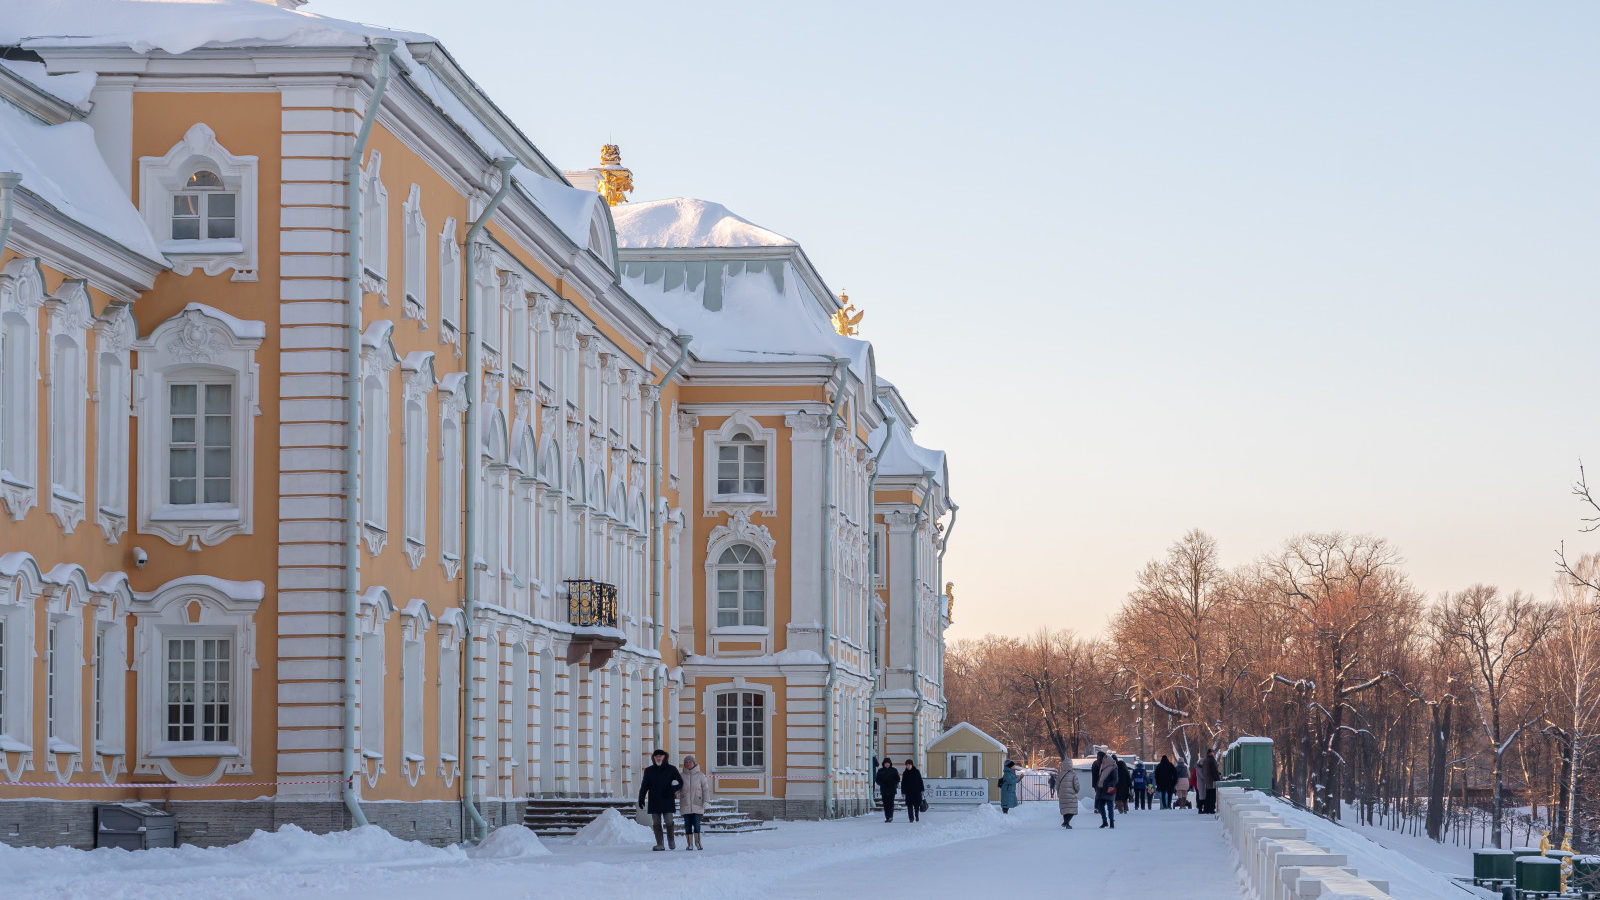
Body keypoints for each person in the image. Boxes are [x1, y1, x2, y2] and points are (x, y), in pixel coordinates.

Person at [637, 748, 683, 851]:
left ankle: (671, 841)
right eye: (656, 756)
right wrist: (641, 798)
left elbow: (680, 782)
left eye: (660, 756)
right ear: (653, 758)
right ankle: (660, 844)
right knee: (656, 823)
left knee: (669, 821)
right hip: (654, 800)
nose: (658, 758)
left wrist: (672, 790)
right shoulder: (649, 770)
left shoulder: (672, 769)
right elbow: (644, 785)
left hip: (667, 799)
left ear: (665, 757)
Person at [678, 754, 709, 851]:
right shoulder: (681, 776)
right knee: (687, 825)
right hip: (685, 804)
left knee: (696, 824)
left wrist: (706, 800)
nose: (688, 764)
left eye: (690, 762)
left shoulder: (700, 775)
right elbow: (677, 789)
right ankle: (690, 844)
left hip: (697, 803)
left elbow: (705, 789)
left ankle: (698, 842)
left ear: (694, 763)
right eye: (686, 762)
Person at [1092, 751, 1117, 828]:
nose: (1098, 759)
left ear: (1104, 758)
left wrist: (1110, 785)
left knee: (1110, 806)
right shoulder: (1102, 765)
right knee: (1100, 805)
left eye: (1099, 758)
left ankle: (1111, 822)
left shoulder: (1113, 766)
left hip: (1109, 788)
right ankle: (1104, 821)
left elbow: (1115, 779)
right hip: (1101, 789)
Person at [1055, 762, 1081, 828]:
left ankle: (1066, 823)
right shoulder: (1073, 774)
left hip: (1062, 794)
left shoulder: (1060, 774)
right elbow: (1076, 785)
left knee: (1065, 809)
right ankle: (1066, 822)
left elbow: (1057, 785)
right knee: (1072, 809)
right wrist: (1077, 790)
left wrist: (1058, 792)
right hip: (1071, 794)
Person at [875, 758, 900, 822]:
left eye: (888, 763)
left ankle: (891, 816)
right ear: (883, 764)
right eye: (886, 763)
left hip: (892, 789)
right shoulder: (880, 771)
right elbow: (877, 780)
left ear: (890, 764)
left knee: (891, 803)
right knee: (885, 804)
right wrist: (882, 783)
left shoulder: (894, 770)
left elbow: (897, 779)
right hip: (884, 789)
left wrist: (893, 783)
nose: (887, 764)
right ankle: (887, 817)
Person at [1202, 749, 1221, 815]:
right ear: (1211, 753)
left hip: (1207, 781)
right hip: (1212, 781)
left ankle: (1206, 809)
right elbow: (1214, 771)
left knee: (1208, 796)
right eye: (1213, 753)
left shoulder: (1205, 760)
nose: (1213, 754)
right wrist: (1218, 779)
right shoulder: (1212, 760)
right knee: (1212, 796)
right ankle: (1211, 809)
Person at [1192, 750, 1210, 815]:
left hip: (1202, 784)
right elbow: (1202, 776)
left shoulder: (1199, 768)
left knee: (1203, 796)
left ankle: (1203, 808)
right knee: (1201, 796)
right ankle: (1200, 809)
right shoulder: (1199, 768)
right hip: (1201, 784)